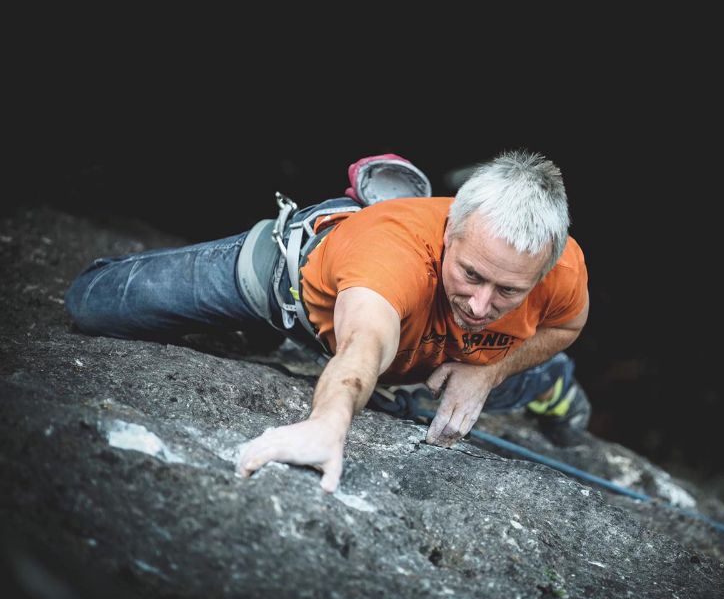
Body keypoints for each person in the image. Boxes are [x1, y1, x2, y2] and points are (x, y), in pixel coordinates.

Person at [65, 150, 592, 493]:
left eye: (508, 290)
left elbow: (566, 324)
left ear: (543, 271)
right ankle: (346, 219)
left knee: (491, 365)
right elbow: (362, 346)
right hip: (294, 296)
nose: (480, 304)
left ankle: (550, 383)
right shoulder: (395, 257)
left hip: (443, 356)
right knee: (93, 304)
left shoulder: (561, 269)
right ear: (449, 228)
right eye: (471, 274)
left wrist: (490, 371)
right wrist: (327, 424)